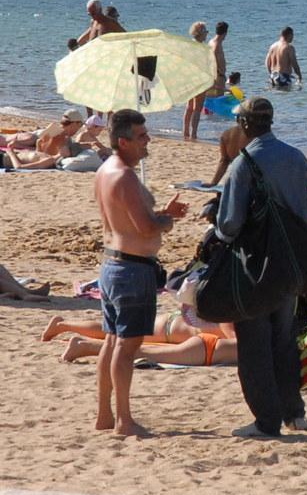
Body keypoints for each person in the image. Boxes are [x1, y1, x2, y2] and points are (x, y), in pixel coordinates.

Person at [215, 98, 307, 438]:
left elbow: (229, 224)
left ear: (244, 126)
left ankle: (266, 421)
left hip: (255, 266)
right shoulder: (296, 157)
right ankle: (294, 412)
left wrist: (211, 227)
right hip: (291, 262)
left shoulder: (244, 164)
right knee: (285, 340)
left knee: (255, 344)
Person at [93, 110, 188, 436]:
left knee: (111, 341)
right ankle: (123, 420)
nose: (147, 141)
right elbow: (146, 228)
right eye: (142, 136)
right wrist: (166, 221)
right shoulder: (124, 176)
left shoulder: (106, 170)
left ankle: (105, 414)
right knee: (126, 345)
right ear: (124, 141)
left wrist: (162, 212)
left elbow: (128, 217)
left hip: (114, 265)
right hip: (131, 270)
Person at [43, 311, 232, 344]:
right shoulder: (228, 319)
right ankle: (62, 325)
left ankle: (63, 325)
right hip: (166, 329)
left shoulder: (227, 315)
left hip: (171, 324)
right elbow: (234, 341)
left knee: (111, 329)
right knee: (110, 331)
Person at [60, 334, 237, 367]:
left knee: (141, 350)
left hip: (207, 349)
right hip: (206, 351)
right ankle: (84, 346)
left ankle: (84, 344)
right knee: (139, 352)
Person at [183, 21, 209, 140]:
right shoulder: (201, 47)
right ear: (201, 33)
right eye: (206, 32)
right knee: (197, 108)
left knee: (189, 107)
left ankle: (185, 131)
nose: (207, 34)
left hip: (189, 78)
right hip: (199, 79)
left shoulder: (189, 45)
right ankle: (194, 133)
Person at [207, 21, 228, 98]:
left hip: (216, 76)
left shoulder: (211, 42)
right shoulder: (217, 45)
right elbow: (213, 62)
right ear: (225, 32)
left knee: (212, 100)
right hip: (218, 77)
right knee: (218, 100)